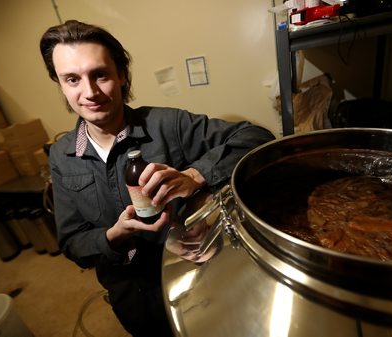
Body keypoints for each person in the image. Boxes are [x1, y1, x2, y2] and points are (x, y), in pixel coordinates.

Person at [39, 20, 275, 337]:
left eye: (101, 74)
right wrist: (114, 235)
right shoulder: (62, 156)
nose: (90, 92)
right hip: (130, 296)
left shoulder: (167, 124)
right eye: (72, 79)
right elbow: (72, 244)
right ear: (60, 85)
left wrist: (196, 175)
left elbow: (256, 137)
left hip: (196, 279)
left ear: (122, 74)